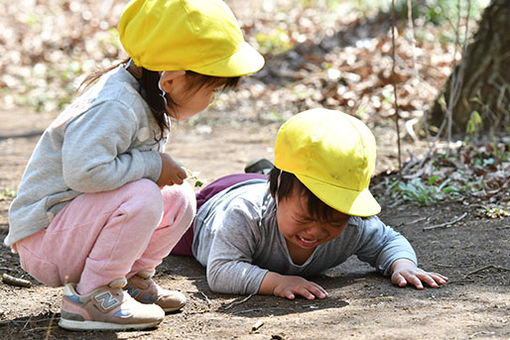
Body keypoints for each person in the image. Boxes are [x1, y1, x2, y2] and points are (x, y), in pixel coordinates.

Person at [6, 0, 264, 331]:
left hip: (73, 227)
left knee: (178, 197)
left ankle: (128, 281)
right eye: (211, 88)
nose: (212, 99)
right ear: (171, 80)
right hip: (46, 239)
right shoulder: (115, 105)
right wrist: (151, 165)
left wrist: (155, 171)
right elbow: (85, 172)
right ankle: (93, 297)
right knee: (144, 194)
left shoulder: (147, 93)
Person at [172, 108, 448, 300]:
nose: (316, 231)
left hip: (273, 186)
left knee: (290, 186)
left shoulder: (352, 225)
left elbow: (389, 241)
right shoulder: (244, 216)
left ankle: (266, 171)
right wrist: (277, 282)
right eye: (304, 218)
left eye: (333, 221)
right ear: (278, 194)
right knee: (169, 231)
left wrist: (402, 265)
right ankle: (264, 173)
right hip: (216, 203)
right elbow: (221, 271)